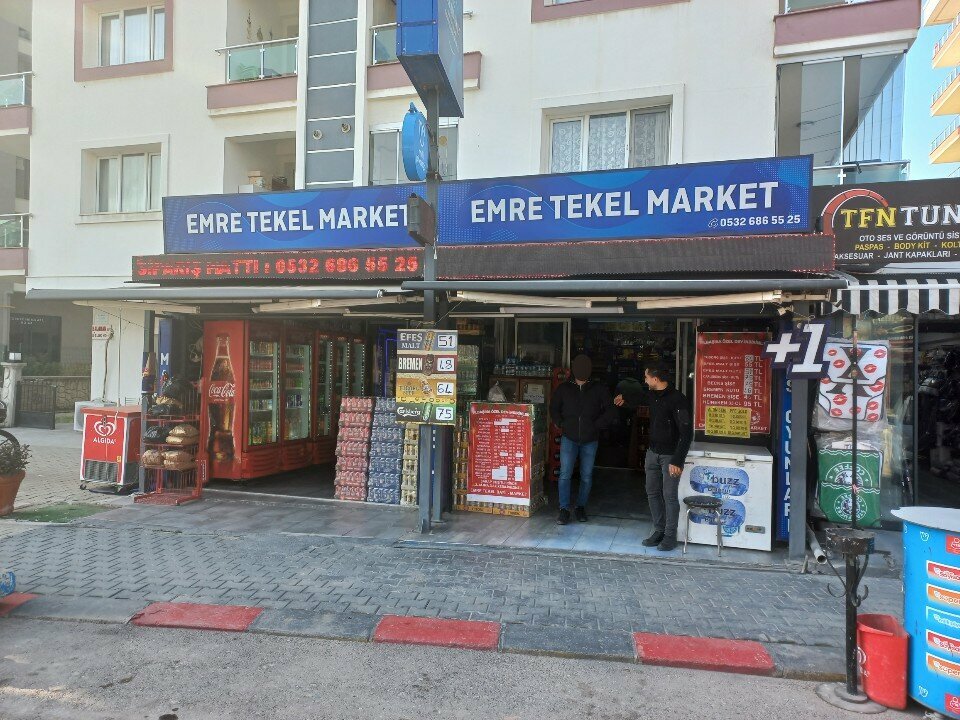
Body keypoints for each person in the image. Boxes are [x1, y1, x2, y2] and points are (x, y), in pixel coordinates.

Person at [614, 361, 692, 551]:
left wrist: (677, 460)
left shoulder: (678, 399)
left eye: (647, 377)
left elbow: (687, 432)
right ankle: (659, 530)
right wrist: (624, 402)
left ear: (655, 379)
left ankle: (670, 536)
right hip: (652, 453)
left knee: (669, 496)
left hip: (670, 456)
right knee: (652, 492)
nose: (645, 380)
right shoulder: (652, 395)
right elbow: (638, 400)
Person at [549, 354, 617, 525]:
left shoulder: (599, 388)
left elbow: (610, 410)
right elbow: (554, 408)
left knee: (586, 476)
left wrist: (597, 425)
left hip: (590, 439)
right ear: (573, 369)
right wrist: (560, 423)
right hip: (569, 438)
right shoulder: (564, 388)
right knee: (565, 475)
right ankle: (564, 509)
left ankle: (580, 507)